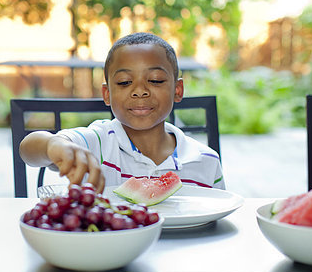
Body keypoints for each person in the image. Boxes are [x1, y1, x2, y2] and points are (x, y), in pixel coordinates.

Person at [19, 32, 225, 192]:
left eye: (155, 80)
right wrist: (54, 145)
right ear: (107, 94)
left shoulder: (206, 160)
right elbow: (28, 149)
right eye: (125, 82)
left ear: (177, 90)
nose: (140, 91)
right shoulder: (96, 143)